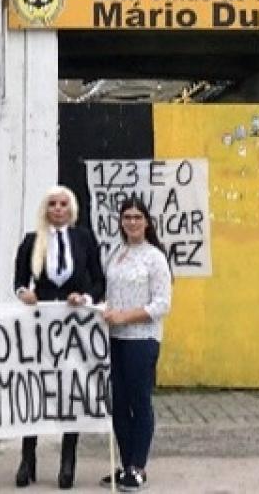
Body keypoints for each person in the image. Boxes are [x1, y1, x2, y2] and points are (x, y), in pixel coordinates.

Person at [13, 185, 106, 490]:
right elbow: (19, 281)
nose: (57, 209)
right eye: (52, 204)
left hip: (75, 329)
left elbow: (99, 281)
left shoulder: (85, 239)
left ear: (72, 208)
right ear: (45, 209)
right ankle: (28, 458)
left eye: (63, 204)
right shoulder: (32, 241)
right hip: (41, 329)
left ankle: (68, 461)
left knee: (70, 391)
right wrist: (24, 293)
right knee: (36, 390)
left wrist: (86, 298)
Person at [100, 197, 173, 492]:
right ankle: (125, 463)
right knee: (117, 403)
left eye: (137, 217)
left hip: (142, 339)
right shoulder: (115, 254)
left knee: (139, 401)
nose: (131, 222)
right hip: (114, 340)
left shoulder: (154, 257)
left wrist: (125, 316)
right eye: (126, 217)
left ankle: (138, 466)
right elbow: (106, 293)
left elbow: (162, 304)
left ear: (146, 222)